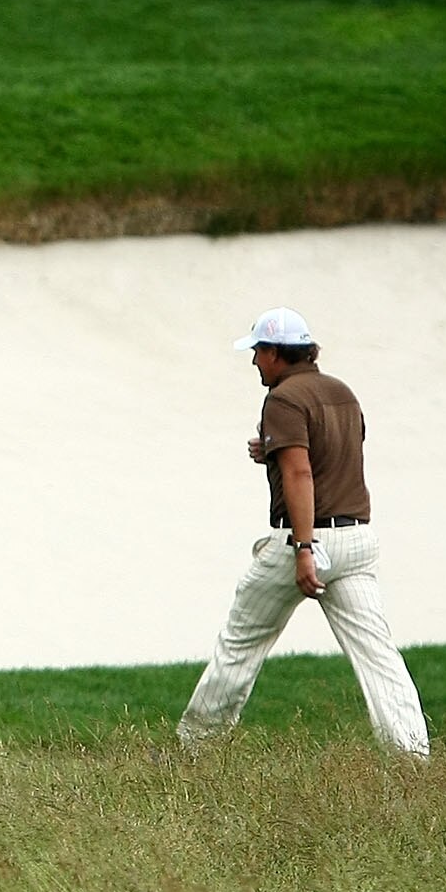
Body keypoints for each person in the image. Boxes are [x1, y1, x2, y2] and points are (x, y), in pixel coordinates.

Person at [179, 309, 428, 759]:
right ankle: (412, 757)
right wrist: (270, 452)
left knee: (241, 641)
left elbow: (300, 473)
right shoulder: (342, 392)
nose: (254, 360)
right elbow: (330, 456)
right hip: (357, 541)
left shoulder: (283, 400)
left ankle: (196, 748)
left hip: (309, 541)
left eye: (257, 351)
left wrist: (304, 547)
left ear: (276, 353)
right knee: (379, 655)